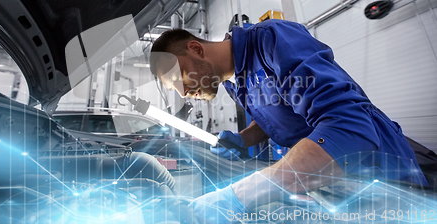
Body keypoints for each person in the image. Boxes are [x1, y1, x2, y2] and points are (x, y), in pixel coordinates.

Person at [149, 19, 428, 223]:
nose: (183, 92)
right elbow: (278, 115)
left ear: (196, 49)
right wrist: (245, 138)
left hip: (381, 174)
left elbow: (349, 129)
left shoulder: (271, 39)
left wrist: (238, 195)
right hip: (329, 179)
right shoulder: (234, 83)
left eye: (179, 78)